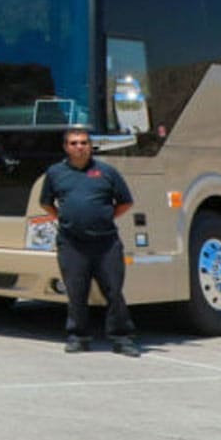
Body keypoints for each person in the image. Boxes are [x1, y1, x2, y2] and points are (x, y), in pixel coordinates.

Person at [41, 128, 139, 355]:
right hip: (71, 244)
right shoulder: (55, 173)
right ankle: (78, 337)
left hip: (106, 243)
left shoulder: (106, 172)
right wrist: (65, 219)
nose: (80, 147)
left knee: (113, 291)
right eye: (74, 143)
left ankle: (122, 339)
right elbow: (46, 203)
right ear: (66, 147)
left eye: (84, 143)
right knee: (76, 292)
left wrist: (104, 217)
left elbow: (125, 202)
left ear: (90, 146)